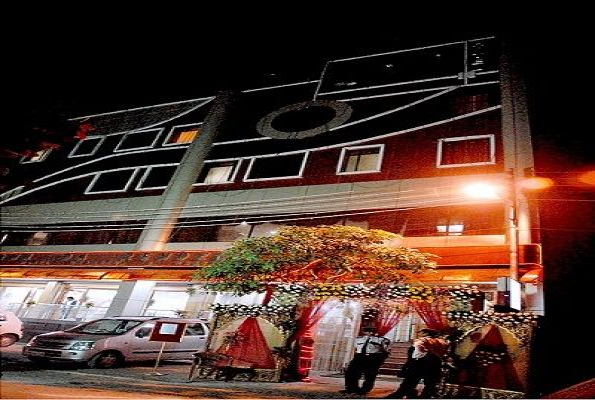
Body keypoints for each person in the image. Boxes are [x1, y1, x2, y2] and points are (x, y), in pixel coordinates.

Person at [385, 328, 449, 399]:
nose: (419, 334)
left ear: (426, 334)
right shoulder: (442, 342)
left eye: (421, 333)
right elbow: (444, 351)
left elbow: (418, 351)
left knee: (409, 382)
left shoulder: (421, 341)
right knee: (430, 384)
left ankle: (400, 395)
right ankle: (422, 396)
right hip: (435, 363)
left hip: (419, 362)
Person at [341, 326, 391, 395]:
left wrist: (380, 360)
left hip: (372, 357)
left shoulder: (381, 340)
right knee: (351, 372)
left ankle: (364, 390)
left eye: (372, 331)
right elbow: (356, 349)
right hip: (359, 357)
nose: (370, 333)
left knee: (370, 375)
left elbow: (386, 351)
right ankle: (351, 388)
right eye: (368, 331)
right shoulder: (359, 339)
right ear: (364, 332)